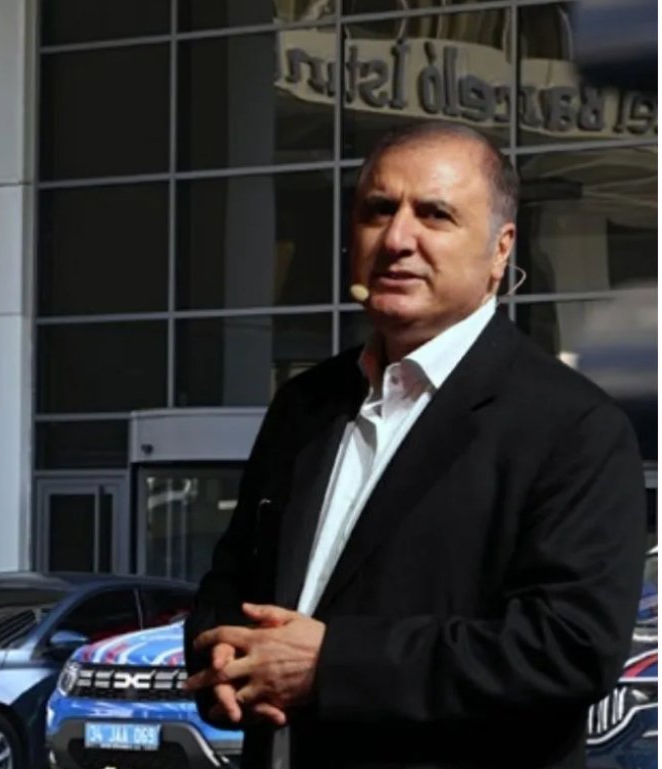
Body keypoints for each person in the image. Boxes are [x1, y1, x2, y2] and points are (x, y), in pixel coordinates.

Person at [183, 120, 647, 769]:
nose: (398, 238)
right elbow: (232, 576)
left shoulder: (572, 427)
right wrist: (222, 653)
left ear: (500, 250)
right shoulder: (305, 405)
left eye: (435, 214)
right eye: (378, 210)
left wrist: (334, 665)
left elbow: (569, 648)